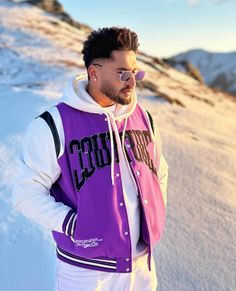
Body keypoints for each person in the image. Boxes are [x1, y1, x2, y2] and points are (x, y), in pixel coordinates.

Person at [13, 26, 169, 291]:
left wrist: (156, 210)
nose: (132, 82)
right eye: (122, 73)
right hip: (85, 273)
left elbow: (160, 172)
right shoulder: (54, 124)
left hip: (142, 267)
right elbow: (25, 195)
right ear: (94, 72)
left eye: (135, 72)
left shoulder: (144, 118)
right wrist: (76, 226)